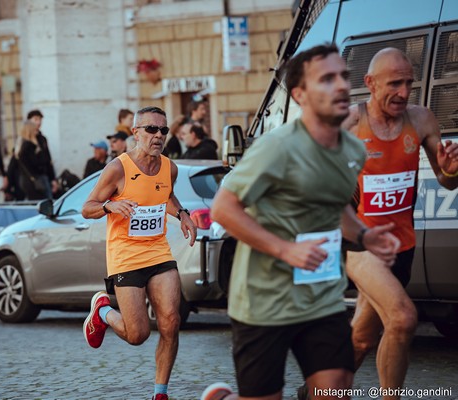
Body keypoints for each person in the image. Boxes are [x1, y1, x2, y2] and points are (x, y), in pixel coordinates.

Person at [200, 44, 400, 400]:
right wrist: (286, 249)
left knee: (335, 387)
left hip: (320, 297)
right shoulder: (277, 148)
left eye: (342, 76)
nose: (340, 86)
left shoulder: (352, 150)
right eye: (326, 79)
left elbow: (336, 208)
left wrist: (366, 236)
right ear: (300, 95)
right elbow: (224, 209)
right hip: (264, 301)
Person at [340, 47, 458, 399]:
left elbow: (447, 179)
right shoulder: (348, 124)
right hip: (362, 245)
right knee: (404, 318)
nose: (404, 93)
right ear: (370, 84)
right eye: (395, 84)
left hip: (402, 246)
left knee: (361, 338)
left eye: (408, 83)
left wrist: (452, 167)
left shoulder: (421, 119)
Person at [81, 106, 197, 400]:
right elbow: (88, 207)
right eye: (151, 129)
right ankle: (103, 312)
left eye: (164, 130)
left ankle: (161, 392)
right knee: (138, 335)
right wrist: (109, 206)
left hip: (158, 251)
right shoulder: (118, 168)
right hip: (125, 255)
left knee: (171, 321)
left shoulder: (170, 167)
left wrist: (182, 213)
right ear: (136, 133)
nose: (158, 136)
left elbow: (165, 195)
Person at [15, 121, 53, 200]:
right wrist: (39, 152)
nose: (37, 132)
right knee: (46, 202)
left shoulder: (22, 145)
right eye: (35, 130)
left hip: (28, 179)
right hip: (35, 180)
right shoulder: (29, 145)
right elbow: (36, 162)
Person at [27, 109, 59, 197]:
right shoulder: (25, 140)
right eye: (36, 119)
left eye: (40, 119)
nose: (38, 122)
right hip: (32, 180)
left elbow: (48, 160)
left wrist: (53, 179)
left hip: (44, 177)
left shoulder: (42, 139)